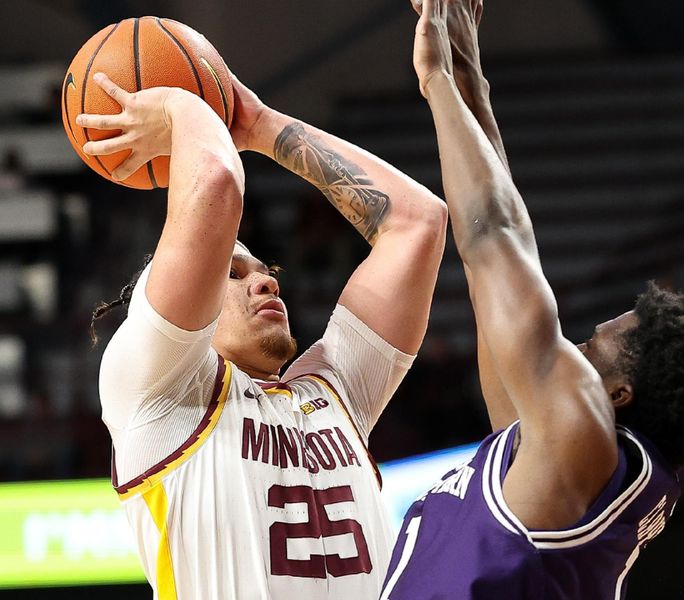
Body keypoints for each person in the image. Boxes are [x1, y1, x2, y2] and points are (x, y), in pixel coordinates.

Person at [380, 1, 684, 598]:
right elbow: (496, 266)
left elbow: (492, 237)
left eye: (589, 345)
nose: (573, 344)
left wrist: (434, 81)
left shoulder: (582, 443)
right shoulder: (561, 463)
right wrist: (469, 81)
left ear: (615, 395)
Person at [81, 66, 447, 598]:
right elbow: (215, 183)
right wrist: (179, 105)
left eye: (266, 273)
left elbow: (419, 222)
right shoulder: (152, 390)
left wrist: (259, 124)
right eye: (233, 273)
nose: (265, 284)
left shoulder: (333, 391)